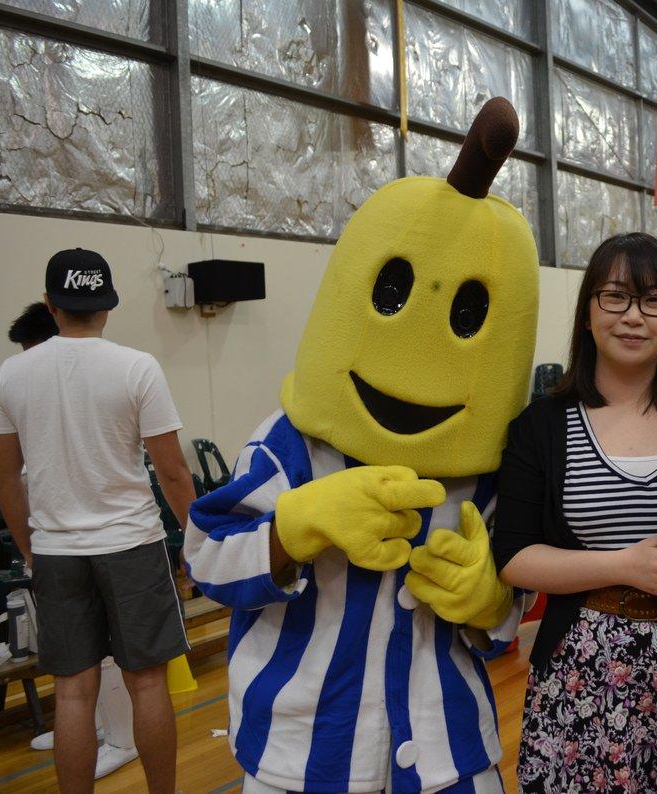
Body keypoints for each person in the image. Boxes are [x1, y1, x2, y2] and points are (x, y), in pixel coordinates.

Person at [185, 100, 535, 793]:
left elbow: (507, 620)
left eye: (468, 317)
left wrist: (490, 599)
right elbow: (205, 561)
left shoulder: (492, 470)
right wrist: (293, 528)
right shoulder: (287, 443)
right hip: (300, 754)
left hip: (448, 751)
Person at [494, 232, 657, 792]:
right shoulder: (542, 426)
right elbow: (514, 556)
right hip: (581, 673)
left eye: (654, 300)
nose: (633, 316)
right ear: (587, 312)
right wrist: (624, 566)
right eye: (615, 296)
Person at [0, 249, 193, 794]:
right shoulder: (137, 367)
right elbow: (173, 472)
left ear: (49, 304)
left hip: (57, 553)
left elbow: (5, 482)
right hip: (133, 545)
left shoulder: (9, 376)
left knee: (73, 692)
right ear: (107, 305)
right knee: (147, 685)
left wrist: (31, 550)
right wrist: (196, 539)